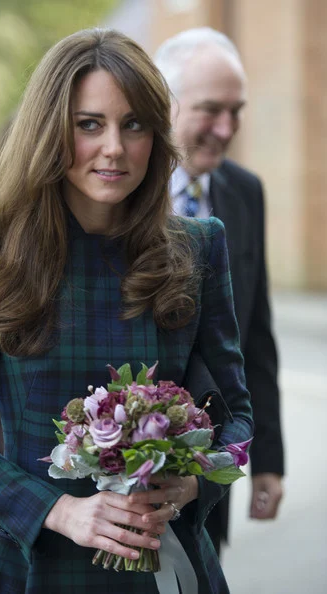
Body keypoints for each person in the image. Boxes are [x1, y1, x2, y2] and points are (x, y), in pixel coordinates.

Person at [0, 28, 253, 593]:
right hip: (29, 562)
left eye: (135, 124)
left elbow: (239, 422)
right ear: (52, 130)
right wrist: (59, 511)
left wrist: (195, 481)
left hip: (159, 560)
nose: (115, 149)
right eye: (89, 124)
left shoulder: (198, 247)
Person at [154, 27, 285, 556]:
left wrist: (267, 459)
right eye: (211, 110)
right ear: (166, 102)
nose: (226, 128)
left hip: (212, 467)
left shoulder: (244, 192)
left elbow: (255, 333)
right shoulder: (113, 187)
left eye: (237, 111)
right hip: (117, 458)